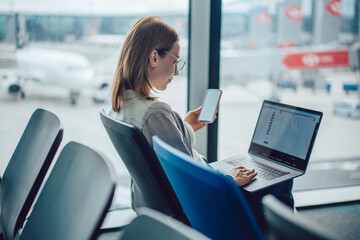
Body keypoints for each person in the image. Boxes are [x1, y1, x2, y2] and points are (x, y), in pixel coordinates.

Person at [108, 16, 293, 227]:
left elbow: (166, 156)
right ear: (154, 58)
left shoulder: (123, 104)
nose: (177, 71)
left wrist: (185, 126)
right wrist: (229, 181)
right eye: (175, 61)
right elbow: (187, 184)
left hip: (155, 206)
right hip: (201, 208)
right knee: (282, 177)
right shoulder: (155, 114)